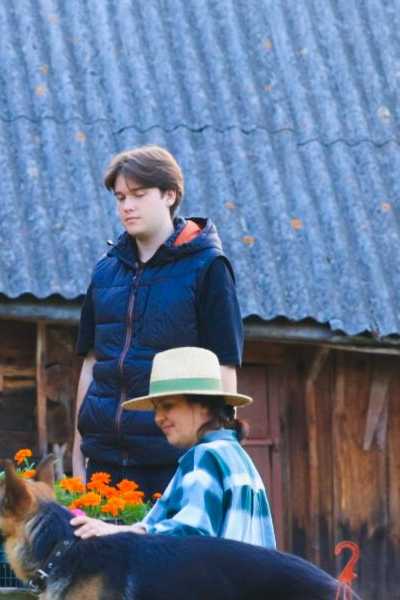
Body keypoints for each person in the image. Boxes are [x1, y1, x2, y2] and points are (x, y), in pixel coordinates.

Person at [73, 145, 244, 498]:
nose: (127, 206)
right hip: (103, 466)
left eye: (138, 195)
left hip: (175, 465)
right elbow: (92, 365)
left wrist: (211, 461)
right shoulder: (105, 272)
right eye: (120, 197)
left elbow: (223, 368)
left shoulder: (208, 268)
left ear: (169, 194)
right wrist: (79, 455)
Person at [67, 346, 273, 547]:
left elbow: (190, 535)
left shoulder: (204, 456)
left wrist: (114, 531)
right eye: (156, 409)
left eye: (168, 406)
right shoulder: (235, 454)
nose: (158, 418)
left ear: (202, 404)